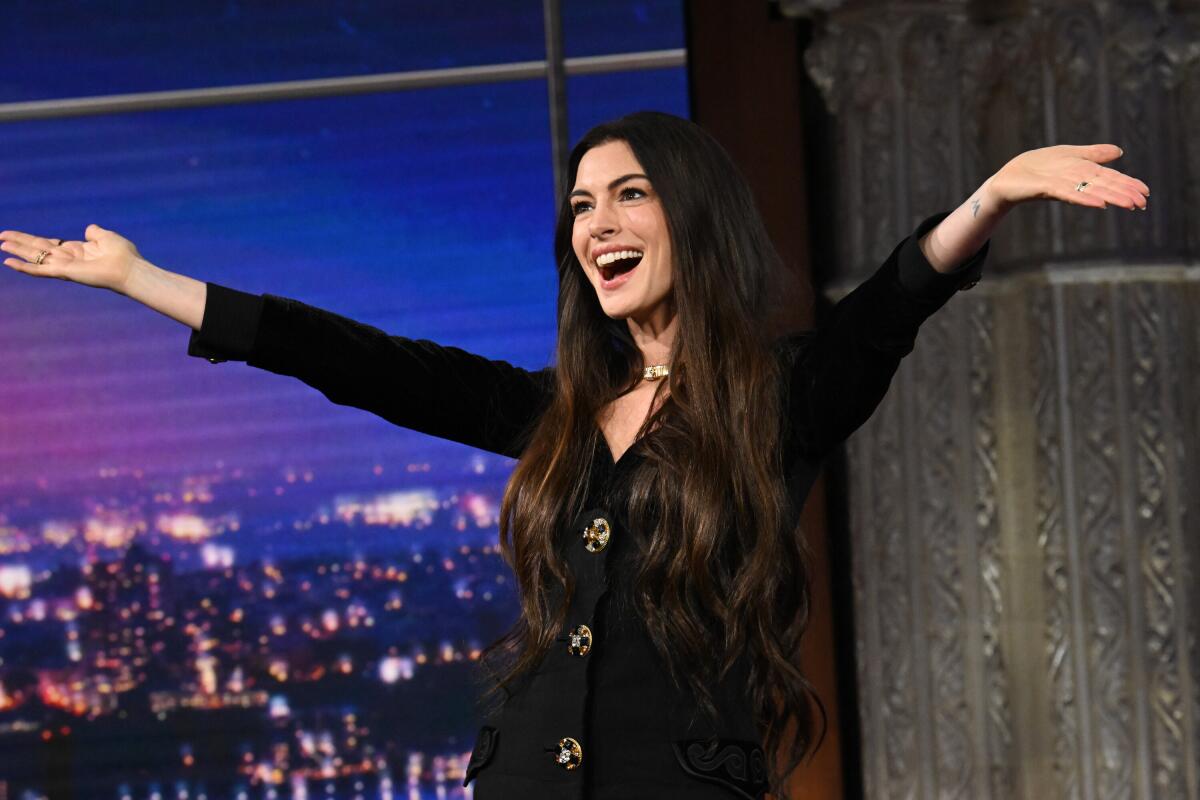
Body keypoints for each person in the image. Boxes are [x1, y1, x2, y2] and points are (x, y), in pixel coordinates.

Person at [0, 111, 1149, 799]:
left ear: (691, 217)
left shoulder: (779, 398)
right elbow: (361, 360)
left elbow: (889, 305)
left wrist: (992, 193)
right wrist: (140, 278)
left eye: (630, 195)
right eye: (581, 204)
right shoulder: (552, 409)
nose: (595, 222)